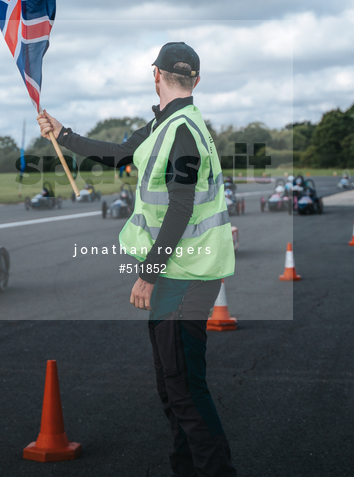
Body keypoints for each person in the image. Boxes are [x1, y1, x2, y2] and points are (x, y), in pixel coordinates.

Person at [37, 42, 237, 476]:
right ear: (196, 81)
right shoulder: (165, 124)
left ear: (155, 74)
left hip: (183, 275)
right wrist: (63, 133)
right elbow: (118, 154)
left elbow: (182, 209)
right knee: (172, 388)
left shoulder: (181, 131)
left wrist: (148, 274)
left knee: (184, 389)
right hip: (178, 273)